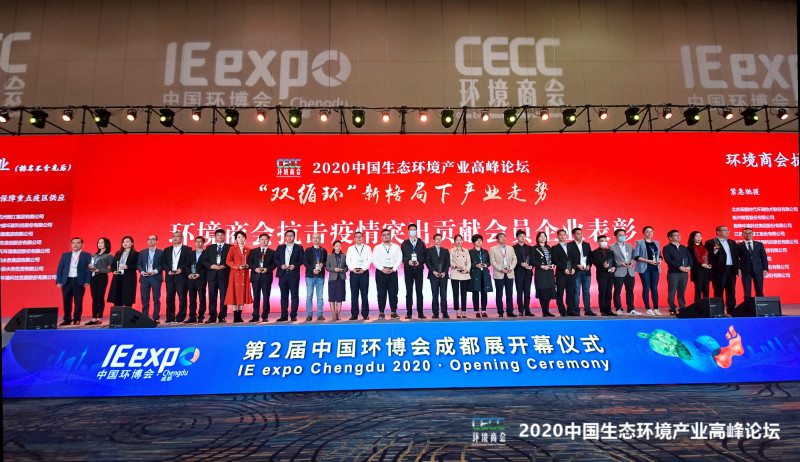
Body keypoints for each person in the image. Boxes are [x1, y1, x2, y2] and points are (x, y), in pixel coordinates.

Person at [55, 237, 91, 325]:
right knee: (66, 301)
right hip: (66, 281)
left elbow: (89, 269)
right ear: (71, 244)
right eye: (73, 243)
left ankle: (77, 319)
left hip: (79, 281)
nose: (75, 245)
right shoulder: (65, 255)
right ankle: (67, 319)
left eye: (78, 243)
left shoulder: (87, 255)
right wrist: (58, 281)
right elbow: (60, 269)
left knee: (78, 301)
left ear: (82, 244)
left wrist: (87, 281)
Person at [705, 225, 739, 315]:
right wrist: (714, 251)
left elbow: (736, 256)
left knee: (731, 291)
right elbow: (707, 255)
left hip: (731, 269)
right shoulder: (711, 242)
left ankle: (731, 310)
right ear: (718, 232)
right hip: (718, 270)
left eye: (728, 230)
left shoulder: (732, 242)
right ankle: (718, 311)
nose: (727, 232)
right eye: (725, 230)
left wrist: (738, 268)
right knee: (718, 290)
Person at [162, 231, 192, 323]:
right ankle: (170, 318)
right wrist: (168, 270)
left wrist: (181, 269)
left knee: (182, 297)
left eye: (177, 236)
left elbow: (188, 262)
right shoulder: (167, 249)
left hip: (181, 276)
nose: (175, 238)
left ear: (182, 238)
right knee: (169, 297)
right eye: (174, 236)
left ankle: (180, 317)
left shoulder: (188, 249)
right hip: (170, 276)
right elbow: (163, 262)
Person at [273, 229, 303, 321]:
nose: (289, 237)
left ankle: (293, 315)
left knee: (294, 296)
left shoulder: (299, 248)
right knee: (283, 296)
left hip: (293, 274)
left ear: (294, 237)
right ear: (285, 237)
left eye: (291, 236)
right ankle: (284, 315)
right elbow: (275, 259)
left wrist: (295, 265)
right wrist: (280, 265)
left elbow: (302, 260)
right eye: (287, 236)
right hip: (283, 274)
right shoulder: (280, 247)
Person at [203, 229, 232, 323]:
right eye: (218, 235)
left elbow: (232, 260)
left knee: (224, 297)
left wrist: (225, 265)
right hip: (212, 275)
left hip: (224, 275)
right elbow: (204, 260)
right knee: (212, 296)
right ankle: (212, 316)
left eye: (222, 235)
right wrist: (211, 266)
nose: (220, 236)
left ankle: (222, 316)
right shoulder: (209, 247)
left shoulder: (230, 247)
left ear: (224, 236)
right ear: (215, 237)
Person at [373, 228, 402, 319]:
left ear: (390, 236)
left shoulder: (396, 247)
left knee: (393, 292)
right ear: (381, 237)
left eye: (388, 234)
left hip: (392, 272)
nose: (386, 236)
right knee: (381, 293)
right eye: (384, 235)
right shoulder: (377, 248)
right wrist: (382, 269)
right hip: (381, 272)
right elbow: (374, 260)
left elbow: (399, 259)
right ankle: (381, 312)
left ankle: (393, 312)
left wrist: (394, 269)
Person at [663, 230, 693, 315]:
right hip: (673, 272)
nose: (678, 236)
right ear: (670, 238)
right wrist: (679, 267)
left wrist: (689, 267)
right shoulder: (667, 248)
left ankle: (682, 307)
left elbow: (690, 259)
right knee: (672, 291)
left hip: (684, 273)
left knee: (682, 290)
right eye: (675, 235)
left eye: (679, 235)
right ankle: (672, 308)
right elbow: (668, 260)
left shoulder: (683, 247)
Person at [225, 230, 252, 323]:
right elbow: (228, 261)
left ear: (245, 238)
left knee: (241, 294)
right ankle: (235, 315)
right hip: (235, 273)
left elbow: (251, 261)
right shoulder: (232, 249)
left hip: (244, 273)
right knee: (234, 293)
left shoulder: (248, 249)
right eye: (239, 237)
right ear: (236, 239)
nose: (241, 239)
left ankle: (239, 314)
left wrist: (248, 265)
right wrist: (237, 266)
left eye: (242, 237)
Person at [633, 226, 662, 316]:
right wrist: (648, 261)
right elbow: (636, 256)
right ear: (644, 233)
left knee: (654, 287)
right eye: (647, 232)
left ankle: (656, 308)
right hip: (644, 267)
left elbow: (660, 255)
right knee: (646, 287)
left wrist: (659, 261)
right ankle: (648, 308)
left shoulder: (656, 243)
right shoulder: (639, 242)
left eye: (651, 231)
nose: (649, 233)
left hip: (655, 267)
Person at [247, 233, 275, 322]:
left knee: (266, 297)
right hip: (256, 277)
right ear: (259, 241)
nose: (263, 241)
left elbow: (274, 264)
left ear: (268, 241)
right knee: (256, 297)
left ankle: (265, 315)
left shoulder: (272, 252)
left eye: (265, 239)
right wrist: (255, 268)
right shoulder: (253, 251)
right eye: (262, 239)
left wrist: (268, 269)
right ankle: (255, 315)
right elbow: (250, 262)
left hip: (266, 277)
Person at [401, 223, 427, 319]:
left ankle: (420, 312)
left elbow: (425, 255)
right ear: (408, 231)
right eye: (411, 229)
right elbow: (401, 256)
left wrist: (419, 261)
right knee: (409, 292)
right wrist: (408, 261)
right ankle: (409, 313)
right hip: (408, 269)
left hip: (419, 269)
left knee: (419, 292)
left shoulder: (421, 243)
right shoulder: (404, 243)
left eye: (414, 230)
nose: (413, 231)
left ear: (416, 231)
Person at [86, 237, 113, 325]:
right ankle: (94, 318)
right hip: (93, 277)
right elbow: (92, 266)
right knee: (94, 298)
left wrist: (100, 270)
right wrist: (90, 266)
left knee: (100, 297)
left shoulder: (109, 255)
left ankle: (99, 317)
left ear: (106, 244)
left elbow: (112, 268)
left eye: (102, 242)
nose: (99, 244)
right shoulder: (94, 255)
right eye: (98, 242)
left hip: (102, 277)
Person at [345, 231, 372, 320]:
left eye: (360, 236)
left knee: (364, 294)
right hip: (354, 273)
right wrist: (352, 269)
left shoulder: (367, 248)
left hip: (364, 272)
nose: (359, 238)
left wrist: (363, 268)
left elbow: (369, 259)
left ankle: (365, 314)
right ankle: (354, 314)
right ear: (354, 239)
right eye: (357, 236)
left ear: (363, 238)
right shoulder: (350, 248)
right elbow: (348, 261)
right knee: (354, 294)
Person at [568, 228, 595, 316]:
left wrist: (589, 265)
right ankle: (576, 310)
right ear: (573, 235)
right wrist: (576, 265)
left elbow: (590, 257)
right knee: (576, 291)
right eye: (578, 233)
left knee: (586, 291)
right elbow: (569, 259)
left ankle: (588, 310)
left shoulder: (586, 244)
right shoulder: (570, 245)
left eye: (581, 233)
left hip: (586, 271)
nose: (580, 235)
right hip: (576, 271)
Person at [490, 232, 517, 317]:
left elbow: (514, 259)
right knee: (499, 294)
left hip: (509, 273)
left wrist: (511, 268)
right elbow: (492, 261)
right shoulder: (493, 249)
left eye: (504, 237)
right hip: (499, 273)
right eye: (501, 237)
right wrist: (500, 269)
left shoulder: (510, 248)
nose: (503, 238)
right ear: (497, 239)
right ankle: (500, 312)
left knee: (509, 294)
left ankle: (510, 311)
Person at [136, 235, 163, 322]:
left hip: (155, 277)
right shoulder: (142, 252)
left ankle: (156, 317)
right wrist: (142, 271)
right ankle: (144, 317)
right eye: (149, 239)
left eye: (153, 239)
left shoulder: (161, 252)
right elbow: (139, 264)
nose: (150, 241)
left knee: (156, 298)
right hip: (145, 277)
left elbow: (163, 265)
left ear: (157, 241)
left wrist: (155, 271)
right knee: (144, 298)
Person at [107, 236, 139, 310]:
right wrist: (114, 270)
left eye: (127, 241)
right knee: (117, 296)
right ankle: (118, 314)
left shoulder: (135, 254)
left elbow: (137, 265)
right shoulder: (118, 253)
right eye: (123, 242)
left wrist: (128, 267)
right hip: (118, 277)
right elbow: (113, 266)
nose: (125, 243)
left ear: (132, 243)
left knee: (128, 297)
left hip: (129, 278)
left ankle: (128, 314)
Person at [551, 229, 577, 316]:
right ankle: (562, 310)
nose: (563, 236)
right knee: (560, 292)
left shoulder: (571, 247)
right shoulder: (555, 248)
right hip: (561, 274)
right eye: (561, 235)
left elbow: (575, 259)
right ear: (557, 236)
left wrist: (573, 268)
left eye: (564, 234)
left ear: (566, 236)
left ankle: (570, 310)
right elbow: (555, 260)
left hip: (571, 273)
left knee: (571, 292)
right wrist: (563, 269)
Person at [611, 229, 637, 315]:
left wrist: (632, 262)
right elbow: (611, 260)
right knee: (617, 291)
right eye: (620, 235)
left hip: (630, 271)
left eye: (623, 235)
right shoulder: (612, 247)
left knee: (630, 291)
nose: (622, 236)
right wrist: (620, 264)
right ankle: (618, 308)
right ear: (616, 236)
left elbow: (634, 257)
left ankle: (631, 309)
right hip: (619, 271)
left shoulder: (629, 246)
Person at [738, 228, 769, 298]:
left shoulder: (759, 244)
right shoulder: (739, 245)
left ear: (752, 234)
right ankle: (747, 304)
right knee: (747, 291)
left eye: (750, 233)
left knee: (759, 290)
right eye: (746, 233)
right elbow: (737, 259)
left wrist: (765, 269)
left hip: (758, 270)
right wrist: (739, 269)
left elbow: (764, 257)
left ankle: (760, 304)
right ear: (742, 234)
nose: (748, 235)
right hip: (745, 270)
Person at [303, 233, 328, 321]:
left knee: (320, 297)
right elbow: (305, 262)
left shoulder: (323, 250)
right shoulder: (308, 250)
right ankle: (309, 314)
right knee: (309, 296)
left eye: (317, 238)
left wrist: (323, 264)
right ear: (312, 239)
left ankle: (320, 314)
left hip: (320, 276)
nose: (315, 239)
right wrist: (312, 269)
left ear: (320, 239)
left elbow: (326, 261)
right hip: (310, 276)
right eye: (314, 238)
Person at [590, 235, 617, 316]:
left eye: (605, 240)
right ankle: (603, 310)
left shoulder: (610, 251)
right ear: (598, 242)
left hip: (610, 274)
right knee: (602, 292)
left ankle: (608, 309)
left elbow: (614, 262)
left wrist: (614, 267)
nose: (604, 242)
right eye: (601, 241)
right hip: (602, 274)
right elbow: (595, 262)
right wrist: (602, 264)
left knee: (609, 292)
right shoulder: (595, 252)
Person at [426, 233, 450, 318]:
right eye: (437, 239)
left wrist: (445, 272)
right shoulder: (429, 250)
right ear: (434, 240)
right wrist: (433, 271)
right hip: (434, 276)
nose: (439, 240)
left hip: (443, 276)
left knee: (443, 295)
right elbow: (428, 262)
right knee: (435, 295)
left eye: (440, 239)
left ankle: (444, 312)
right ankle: (435, 313)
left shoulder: (445, 250)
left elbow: (447, 263)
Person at [532, 231, 556, 317]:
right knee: (542, 292)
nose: (543, 238)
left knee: (549, 292)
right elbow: (532, 261)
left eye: (544, 236)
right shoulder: (534, 248)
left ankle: (547, 311)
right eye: (541, 236)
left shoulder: (549, 248)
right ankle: (544, 311)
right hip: (541, 272)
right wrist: (541, 266)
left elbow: (552, 259)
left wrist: (553, 264)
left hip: (549, 272)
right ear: (537, 238)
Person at [469, 234, 492, 318]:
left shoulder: (485, 251)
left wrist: (486, 264)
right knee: (475, 292)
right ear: (473, 242)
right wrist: (475, 265)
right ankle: (476, 311)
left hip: (484, 273)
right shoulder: (470, 252)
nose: (479, 242)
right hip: (475, 273)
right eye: (477, 240)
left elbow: (489, 262)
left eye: (480, 240)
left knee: (484, 292)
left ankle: (484, 310)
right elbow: (468, 263)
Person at [449, 234, 471, 319]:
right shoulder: (452, 250)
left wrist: (467, 270)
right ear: (454, 241)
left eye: (460, 240)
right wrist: (456, 265)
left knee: (464, 293)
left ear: (462, 241)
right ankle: (457, 310)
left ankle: (464, 310)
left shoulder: (466, 251)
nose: (458, 241)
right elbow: (450, 262)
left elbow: (469, 262)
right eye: (457, 240)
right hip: (455, 273)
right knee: (456, 293)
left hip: (464, 274)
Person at [512, 230, 534, 316]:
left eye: (524, 236)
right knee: (519, 292)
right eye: (520, 236)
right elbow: (512, 260)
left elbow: (532, 259)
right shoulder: (513, 248)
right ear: (517, 237)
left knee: (527, 292)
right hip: (519, 272)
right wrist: (520, 263)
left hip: (528, 272)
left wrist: (531, 265)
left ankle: (527, 310)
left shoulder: (529, 248)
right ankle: (521, 310)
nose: (522, 238)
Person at [187, 236, 207, 323]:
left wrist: (200, 274)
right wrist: (189, 274)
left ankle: (201, 316)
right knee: (192, 298)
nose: (198, 243)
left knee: (202, 298)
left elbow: (207, 267)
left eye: (200, 242)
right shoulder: (190, 253)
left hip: (201, 279)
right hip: (191, 279)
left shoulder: (206, 253)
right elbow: (187, 265)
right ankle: (192, 316)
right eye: (197, 241)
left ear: (203, 243)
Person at [326, 240, 348, 320]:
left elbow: (347, 267)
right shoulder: (329, 256)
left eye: (339, 246)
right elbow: (327, 267)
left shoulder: (344, 256)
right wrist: (334, 269)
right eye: (337, 246)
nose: (338, 247)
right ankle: (333, 314)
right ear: (333, 247)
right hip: (332, 278)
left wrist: (343, 270)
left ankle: (338, 313)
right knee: (332, 297)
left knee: (340, 296)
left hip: (341, 278)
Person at [687, 231, 711, 303]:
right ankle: (698, 306)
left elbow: (708, 257)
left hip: (706, 270)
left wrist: (709, 264)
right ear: (692, 238)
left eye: (700, 236)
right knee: (698, 289)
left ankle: (706, 306)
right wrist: (701, 264)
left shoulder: (704, 247)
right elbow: (691, 259)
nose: (699, 238)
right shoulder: (690, 248)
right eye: (697, 236)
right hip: (697, 270)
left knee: (706, 290)